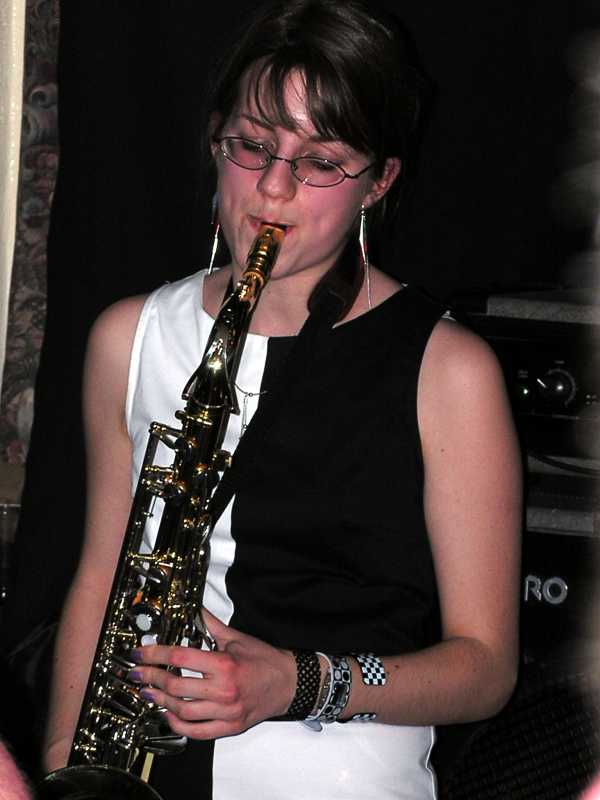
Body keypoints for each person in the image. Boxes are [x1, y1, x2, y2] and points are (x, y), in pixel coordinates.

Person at [42, 1, 522, 798]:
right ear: (216, 140)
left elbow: (486, 670)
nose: (273, 187)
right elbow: (100, 581)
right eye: (253, 145)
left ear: (379, 182)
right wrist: (71, 770)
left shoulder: (449, 370)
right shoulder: (128, 337)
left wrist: (298, 683)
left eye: (321, 161)